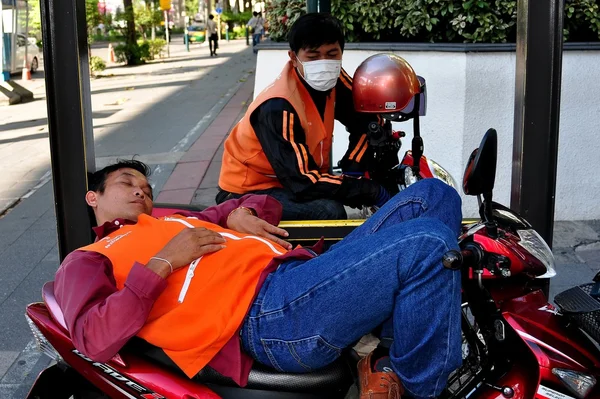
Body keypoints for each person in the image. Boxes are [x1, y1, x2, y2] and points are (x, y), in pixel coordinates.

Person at [54, 159, 463, 399]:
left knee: (432, 196)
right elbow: (93, 338)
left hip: (298, 277)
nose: (141, 191)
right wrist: (164, 262)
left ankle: (388, 358)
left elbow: (257, 204)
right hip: (266, 318)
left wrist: (238, 214)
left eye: (145, 186)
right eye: (128, 183)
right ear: (94, 198)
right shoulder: (87, 258)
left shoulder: (174, 220)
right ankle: (418, 389)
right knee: (429, 242)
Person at [217, 13, 395, 221]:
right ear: (293, 57)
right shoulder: (277, 106)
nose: (324, 63)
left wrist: (354, 166)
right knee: (330, 210)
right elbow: (303, 184)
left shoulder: (334, 78)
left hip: (291, 181)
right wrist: (370, 191)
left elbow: (368, 120)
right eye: (313, 56)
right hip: (247, 191)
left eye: (332, 54)